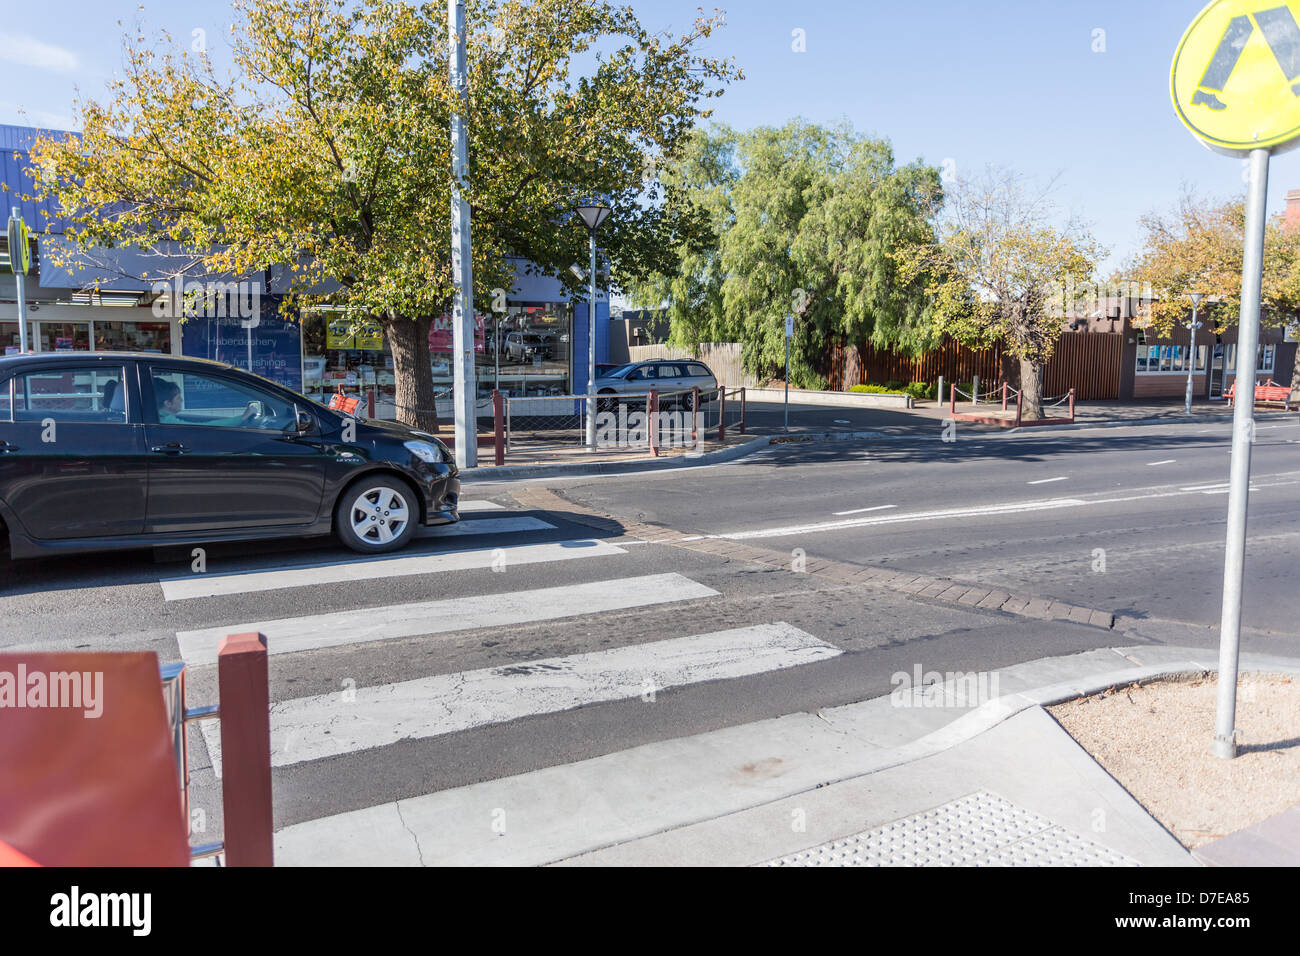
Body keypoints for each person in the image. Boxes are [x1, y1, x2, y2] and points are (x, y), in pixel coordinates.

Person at [154, 378, 258, 427]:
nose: (182, 400)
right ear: (167, 403)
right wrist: (243, 417)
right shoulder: (168, 422)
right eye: (178, 398)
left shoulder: (159, 418)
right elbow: (207, 427)